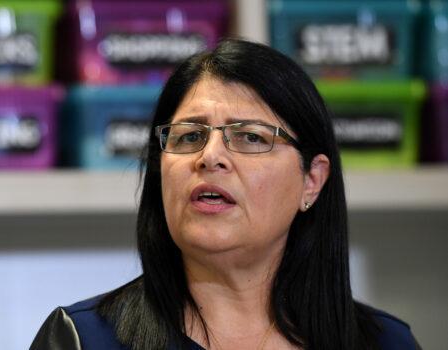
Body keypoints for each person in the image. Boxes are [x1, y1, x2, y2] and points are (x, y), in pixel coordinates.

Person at [30, 38, 421, 350]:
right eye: (189, 136)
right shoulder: (82, 340)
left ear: (312, 180)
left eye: (250, 136)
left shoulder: (387, 343)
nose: (210, 156)